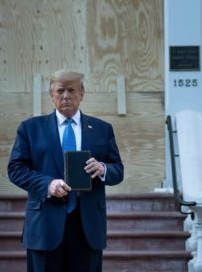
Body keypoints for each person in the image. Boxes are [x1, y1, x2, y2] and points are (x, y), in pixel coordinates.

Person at [8, 69, 124, 272]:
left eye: (72, 90)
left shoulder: (102, 129)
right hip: (44, 225)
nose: (66, 96)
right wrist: (47, 184)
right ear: (51, 95)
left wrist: (103, 168)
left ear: (82, 93)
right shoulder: (30, 128)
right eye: (60, 91)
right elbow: (16, 169)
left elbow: (118, 170)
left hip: (87, 227)